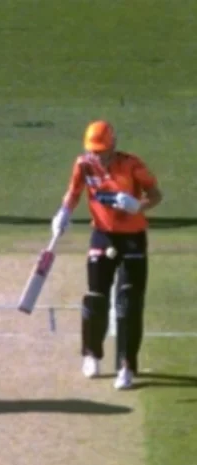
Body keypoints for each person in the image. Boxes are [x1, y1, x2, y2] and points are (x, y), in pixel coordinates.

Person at [51, 120, 163, 390]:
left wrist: (137, 205)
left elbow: (156, 195)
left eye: (101, 151)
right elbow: (74, 192)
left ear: (112, 146)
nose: (97, 156)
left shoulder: (132, 164)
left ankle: (126, 366)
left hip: (133, 238)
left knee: (128, 302)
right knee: (95, 298)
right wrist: (63, 213)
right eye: (93, 151)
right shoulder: (84, 164)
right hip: (102, 234)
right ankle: (91, 354)